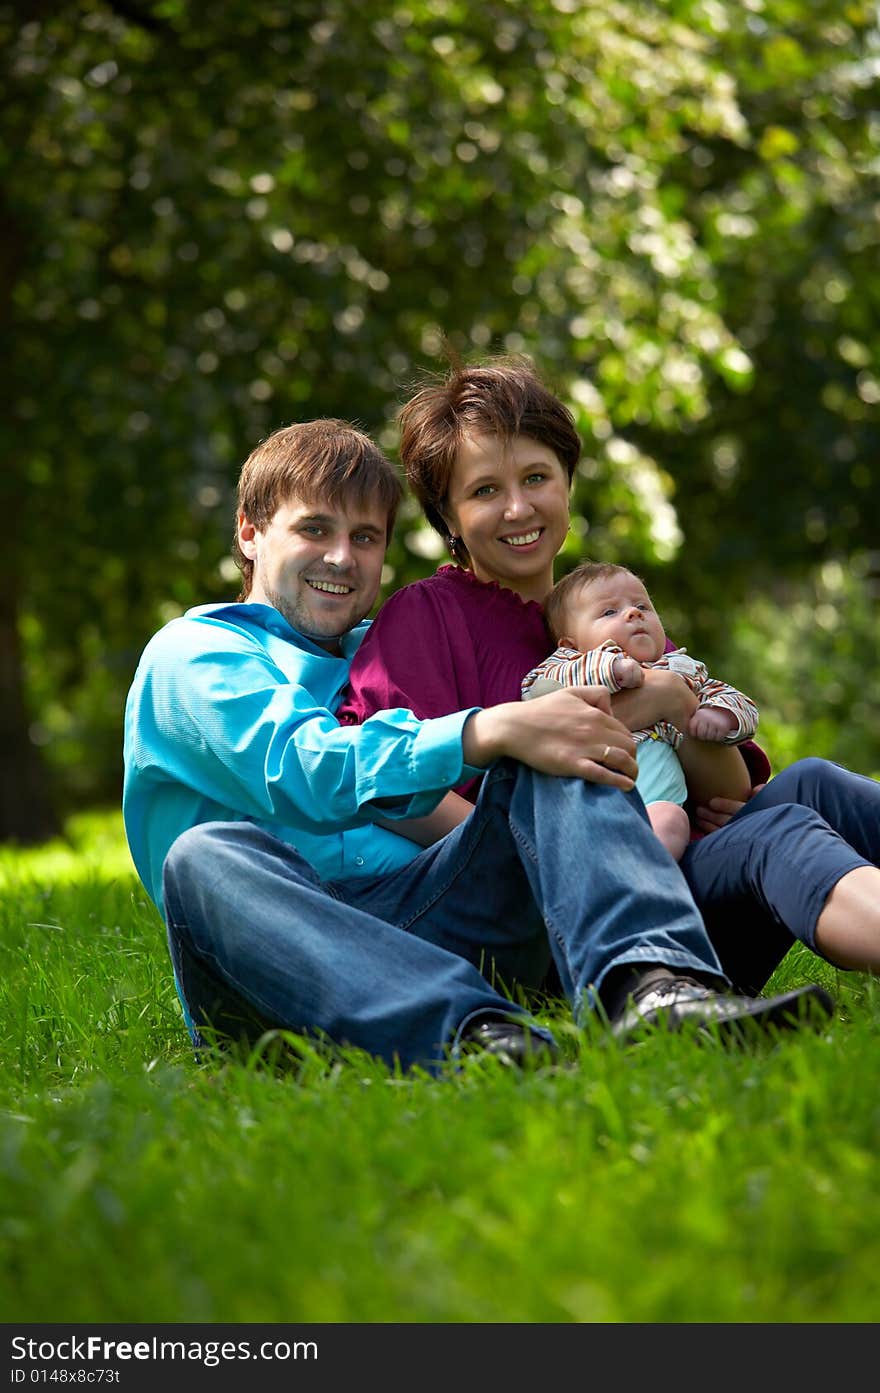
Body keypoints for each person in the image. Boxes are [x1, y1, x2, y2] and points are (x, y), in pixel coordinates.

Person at [122, 418, 831, 1078]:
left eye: (367, 537)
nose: (343, 557)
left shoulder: (381, 652)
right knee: (205, 854)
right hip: (279, 963)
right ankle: (473, 1034)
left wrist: (598, 721)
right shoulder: (196, 654)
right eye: (315, 529)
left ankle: (652, 987)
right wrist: (486, 729)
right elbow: (306, 769)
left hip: (432, 916)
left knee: (551, 736)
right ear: (249, 532)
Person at [341, 355, 880, 994]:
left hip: (668, 862)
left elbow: (725, 795)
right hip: (557, 913)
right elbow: (380, 782)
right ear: (449, 519)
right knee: (778, 832)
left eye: (536, 477)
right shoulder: (427, 614)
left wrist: (675, 702)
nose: (518, 508)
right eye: (485, 491)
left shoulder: (609, 609)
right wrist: (536, 854)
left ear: (566, 483)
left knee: (811, 784)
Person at [521, 561, 759, 860]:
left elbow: (733, 699)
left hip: (657, 805)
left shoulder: (682, 670)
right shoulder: (569, 665)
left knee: (673, 822)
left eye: (642, 606)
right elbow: (538, 691)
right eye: (609, 612)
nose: (633, 614)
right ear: (571, 644)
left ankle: (643, 878)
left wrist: (722, 715)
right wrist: (612, 668)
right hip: (591, 800)